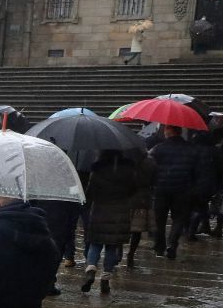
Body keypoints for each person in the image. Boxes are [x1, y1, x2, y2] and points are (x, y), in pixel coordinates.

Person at [81, 151, 145, 296]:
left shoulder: (97, 169)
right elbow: (134, 189)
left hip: (99, 211)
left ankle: (91, 269)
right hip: (120, 212)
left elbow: (90, 192)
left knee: (95, 243)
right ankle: (105, 278)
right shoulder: (129, 171)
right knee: (112, 246)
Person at [149, 125, 197, 259]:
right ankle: (172, 244)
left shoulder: (159, 148)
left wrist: (152, 184)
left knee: (159, 219)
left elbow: (151, 167)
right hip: (182, 188)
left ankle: (159, 247)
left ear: (168, 132)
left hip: (161, 188)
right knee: (179, 218)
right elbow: (195, 170)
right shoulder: (190, 148)